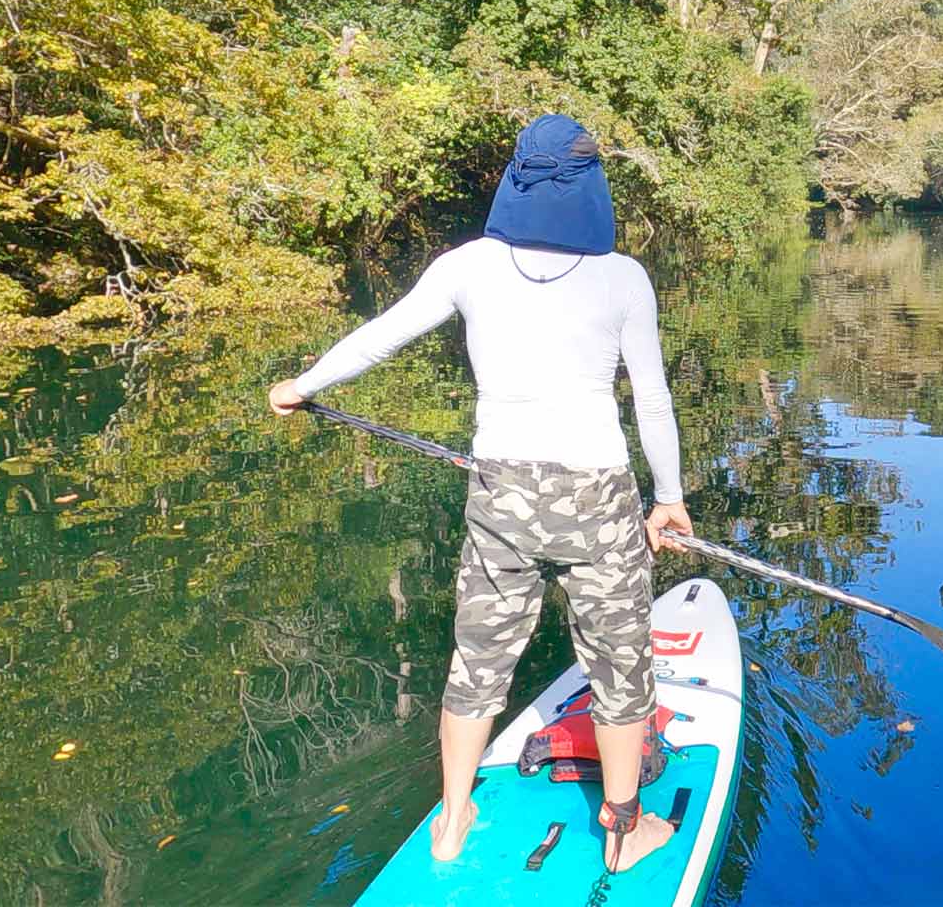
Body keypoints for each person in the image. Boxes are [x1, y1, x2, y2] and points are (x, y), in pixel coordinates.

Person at [266, 113, 691, 873]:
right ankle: (625, 831)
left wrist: (303, 385)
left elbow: (382, 334)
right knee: (619, 665)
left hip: (501, 491)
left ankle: (454, 818)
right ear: (590, 185)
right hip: (597, 496)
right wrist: (668, 498)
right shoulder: (625, 277)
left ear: (515, 179)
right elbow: (652, 400)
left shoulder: (467, 265)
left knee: (479, 660)